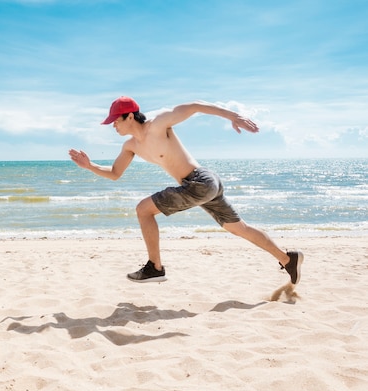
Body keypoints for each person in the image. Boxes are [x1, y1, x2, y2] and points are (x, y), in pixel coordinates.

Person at [69, 97, 303, 284]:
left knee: (143, 210)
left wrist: (234, 116)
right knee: (238, 228)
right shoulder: (131, 146)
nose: (113, 125)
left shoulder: (158, 124)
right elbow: (115, 173)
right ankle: (287, 259)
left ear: (130, 116)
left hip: (199, 181)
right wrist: (89, 166)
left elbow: (194, 106)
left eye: (116, 120)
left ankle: (155, 267)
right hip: (202, 185)